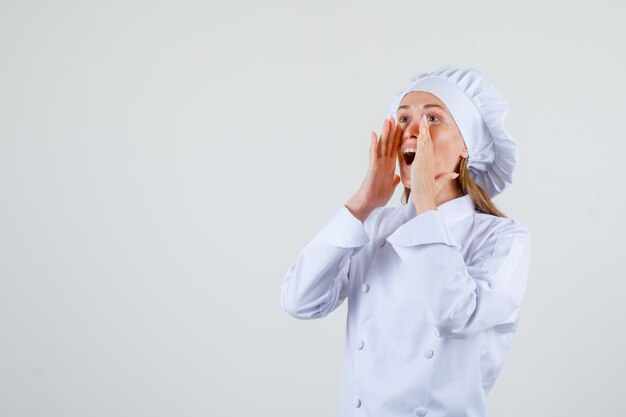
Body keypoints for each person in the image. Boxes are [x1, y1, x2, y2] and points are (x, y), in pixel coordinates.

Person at [280, 65, 532, 417]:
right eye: (403, 119)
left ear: (467, 145)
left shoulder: (501, 239)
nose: (412, 130)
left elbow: (454, 316)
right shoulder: (374, 225)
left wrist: (427, 206)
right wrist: (364, 203)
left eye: (433, 118)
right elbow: (299, 300)